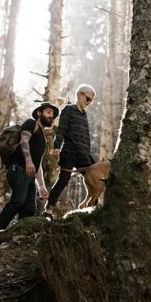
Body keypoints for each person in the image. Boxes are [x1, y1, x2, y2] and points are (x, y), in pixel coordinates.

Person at [0, 102, 59, 230]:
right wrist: (28, 160)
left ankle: (19, 237)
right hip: (18, 169)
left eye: (53, 114)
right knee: (18, 201)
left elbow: (37, 163)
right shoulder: (31, 123)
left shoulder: (42, 138)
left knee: (29, 209)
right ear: (39, 113)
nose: (52, 116)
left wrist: (41, 186)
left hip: (29, 176)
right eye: (49, 112)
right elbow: (24, 140)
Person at [44, 84, 96, 216]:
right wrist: (56, 147)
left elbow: (86, 138)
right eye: (88, 99)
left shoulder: (84, 115)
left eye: (91, 101)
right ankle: (49, 210)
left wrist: (89, 157)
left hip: (84, 155)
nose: (89, 103)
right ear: (80, 94)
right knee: (63, 180)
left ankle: (94, 210)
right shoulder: (68, 110)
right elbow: (61, 131)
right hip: (69, 153)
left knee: (95, 180)